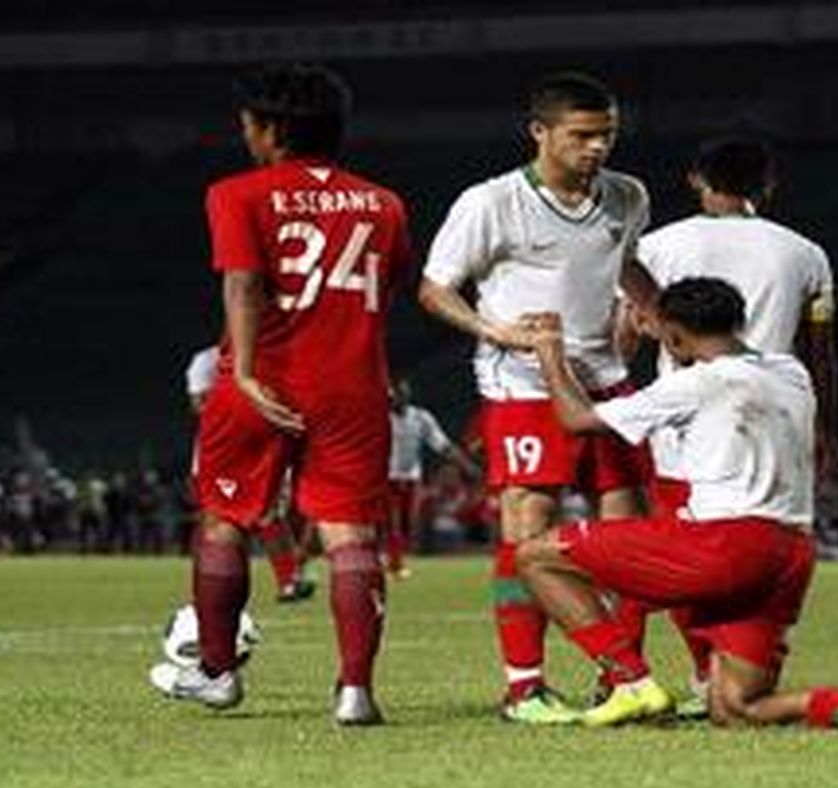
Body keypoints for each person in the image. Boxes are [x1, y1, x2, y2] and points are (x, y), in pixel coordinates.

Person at [514, 278, 838, 731]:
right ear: (738, 322)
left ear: (676, 336)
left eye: (667, 337)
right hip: (790, 553)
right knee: (736, 707)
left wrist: (550, 352)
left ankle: (629, 681)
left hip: (724, 546)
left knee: (537, 556)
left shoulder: (696, 383)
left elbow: (576, 419)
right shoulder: (790, 372)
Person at [157, 64, 411, 726]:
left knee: (223, 520)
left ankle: (217, 674)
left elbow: (241, 283)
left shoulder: (236, 193)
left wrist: (241, 372)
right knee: (350, 535)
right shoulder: (384, 203)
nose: (245, 137)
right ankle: (355, 691)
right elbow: (391, 287)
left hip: (261, 379)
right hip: (353, 387)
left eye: (248, 126)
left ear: (271, 130)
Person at [418, 71, 657, 723]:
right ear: (540, 132)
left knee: (630, 536)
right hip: (521, 384)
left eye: (606, 135)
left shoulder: (627, 196)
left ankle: (621, 680)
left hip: (606, 382)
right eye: (581, 136)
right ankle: (524, 687)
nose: (597, 148)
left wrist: (656, 315)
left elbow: (623, 264)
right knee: (527, 532)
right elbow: (435, 288)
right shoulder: (491, 202)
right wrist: (491, 329)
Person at [621, 135, 838, 712]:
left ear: (697, 179)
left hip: (684, 428)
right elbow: (820, 351)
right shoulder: (806, 253)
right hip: (773, 424)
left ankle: (696, 674)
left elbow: (627, 332)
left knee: (684, 557)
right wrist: (824, 429)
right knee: (755, 553)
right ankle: (728, 671)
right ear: (767, 186)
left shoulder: (657, 247)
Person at [186, 344, 315, 602]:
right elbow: (198, 405)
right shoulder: (207, 360)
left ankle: (289, 579)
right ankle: (208, 589)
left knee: (269, 513)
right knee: (216, 517)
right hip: (222, 444)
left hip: (268, 439)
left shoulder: (280, 353)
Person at [386, 378, 474, 578]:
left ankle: (397, 555)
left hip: (412, 477)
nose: (399, 397)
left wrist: (466, 465)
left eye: (403, 393)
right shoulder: (380, 418)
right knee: (393, 522)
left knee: (409, 522)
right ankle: (395, 563)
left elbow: (442, 444)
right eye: (396, 394)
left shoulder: (421, 418)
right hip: (386, 477)